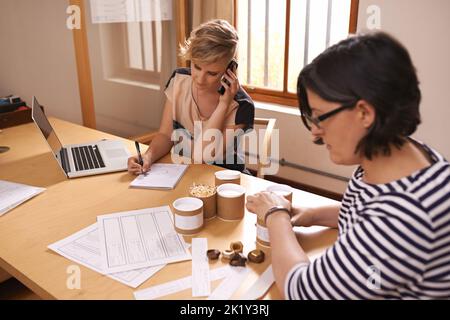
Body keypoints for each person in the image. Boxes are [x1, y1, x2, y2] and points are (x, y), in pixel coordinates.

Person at [246, 31, 450, 299]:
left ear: (365, 113)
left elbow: (300, 291)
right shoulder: (401, 153)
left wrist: (276, 215)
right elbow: (364, 210)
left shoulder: (405, 216)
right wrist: (313, 214)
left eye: (320, 117)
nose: (314, 133)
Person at [128, 19, 254, 174]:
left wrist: (223, 105)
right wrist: (148, 157)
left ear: (230, 70)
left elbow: (203, 157)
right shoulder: (179, 81)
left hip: (222, 179)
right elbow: (166, 135)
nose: (200, 79)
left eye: (212, 73)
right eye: (197, 66)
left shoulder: (241, 106)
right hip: (183, 171)